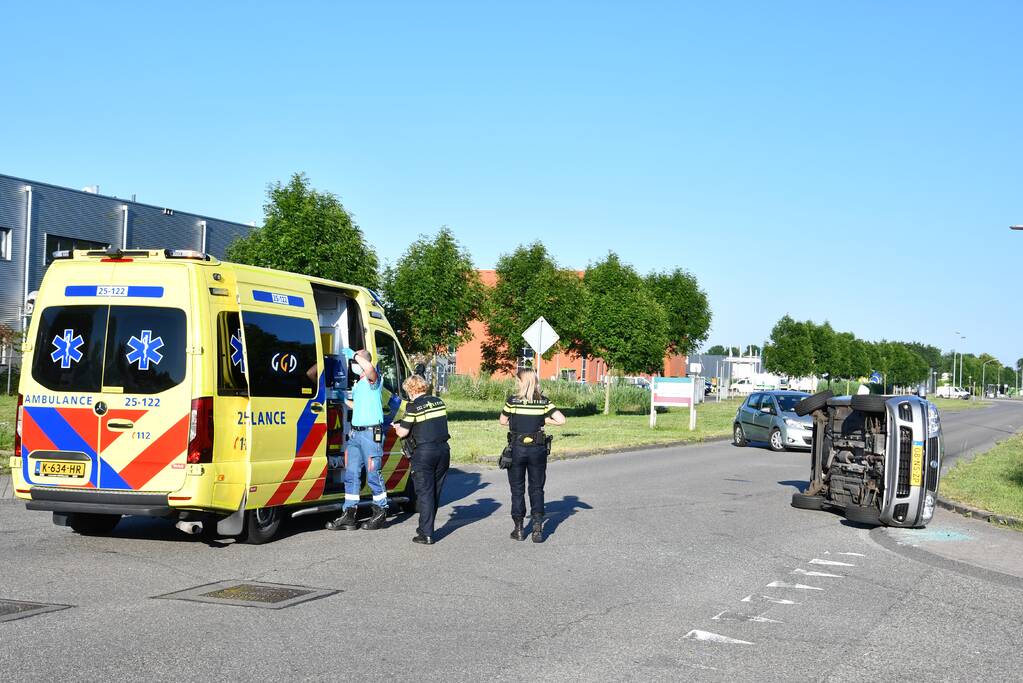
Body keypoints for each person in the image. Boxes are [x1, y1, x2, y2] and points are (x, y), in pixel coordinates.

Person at [500, 369, 566, 543]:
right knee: (537, 488)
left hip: (517, 449)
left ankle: (519, 529)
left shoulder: (512, 401)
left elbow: (502, 421)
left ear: (521, 382)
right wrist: (542, 419)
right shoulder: (543, 401)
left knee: (517, 490)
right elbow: (561, 420)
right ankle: (537, 527)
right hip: (537, 449)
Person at [326, 349, 389, 531]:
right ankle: (349, 515)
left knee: (373, 473)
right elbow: (358, 405)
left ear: (362, 361)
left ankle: (380, 512)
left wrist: (353, 354)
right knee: (352, 474)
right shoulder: (359, 384)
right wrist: (343, 399)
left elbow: (368, 367)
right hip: (356, 434)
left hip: (370, 434)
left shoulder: (373, 379)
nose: (352, 363)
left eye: (356, 359)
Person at [391, 374, 450, 545]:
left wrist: (397, 427)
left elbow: (403, 432)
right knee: (435, 492)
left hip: (424, 453)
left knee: (424, 493)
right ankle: (427, 527)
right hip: (443, 450)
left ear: (410, 390)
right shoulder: (439, 402)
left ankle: (426, 533)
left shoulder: (413, 406)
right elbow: (428, 422)